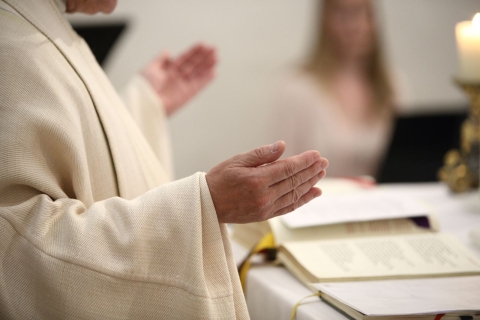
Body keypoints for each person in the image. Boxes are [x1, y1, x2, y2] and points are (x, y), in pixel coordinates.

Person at [0, 0, 329, 319]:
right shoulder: (10, 43)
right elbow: (19, 252)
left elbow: (73, 153)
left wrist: (144, 108)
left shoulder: (36, 21)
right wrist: (204, 204)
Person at [272, 0, 404, 178]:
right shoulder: (297, 87)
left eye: (360, 12)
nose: (352, 26)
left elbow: (405, 161)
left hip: (382, 202)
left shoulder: (392, 86)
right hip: (318, 203)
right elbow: (282, 170)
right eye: (341, 14)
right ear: (324, 20)